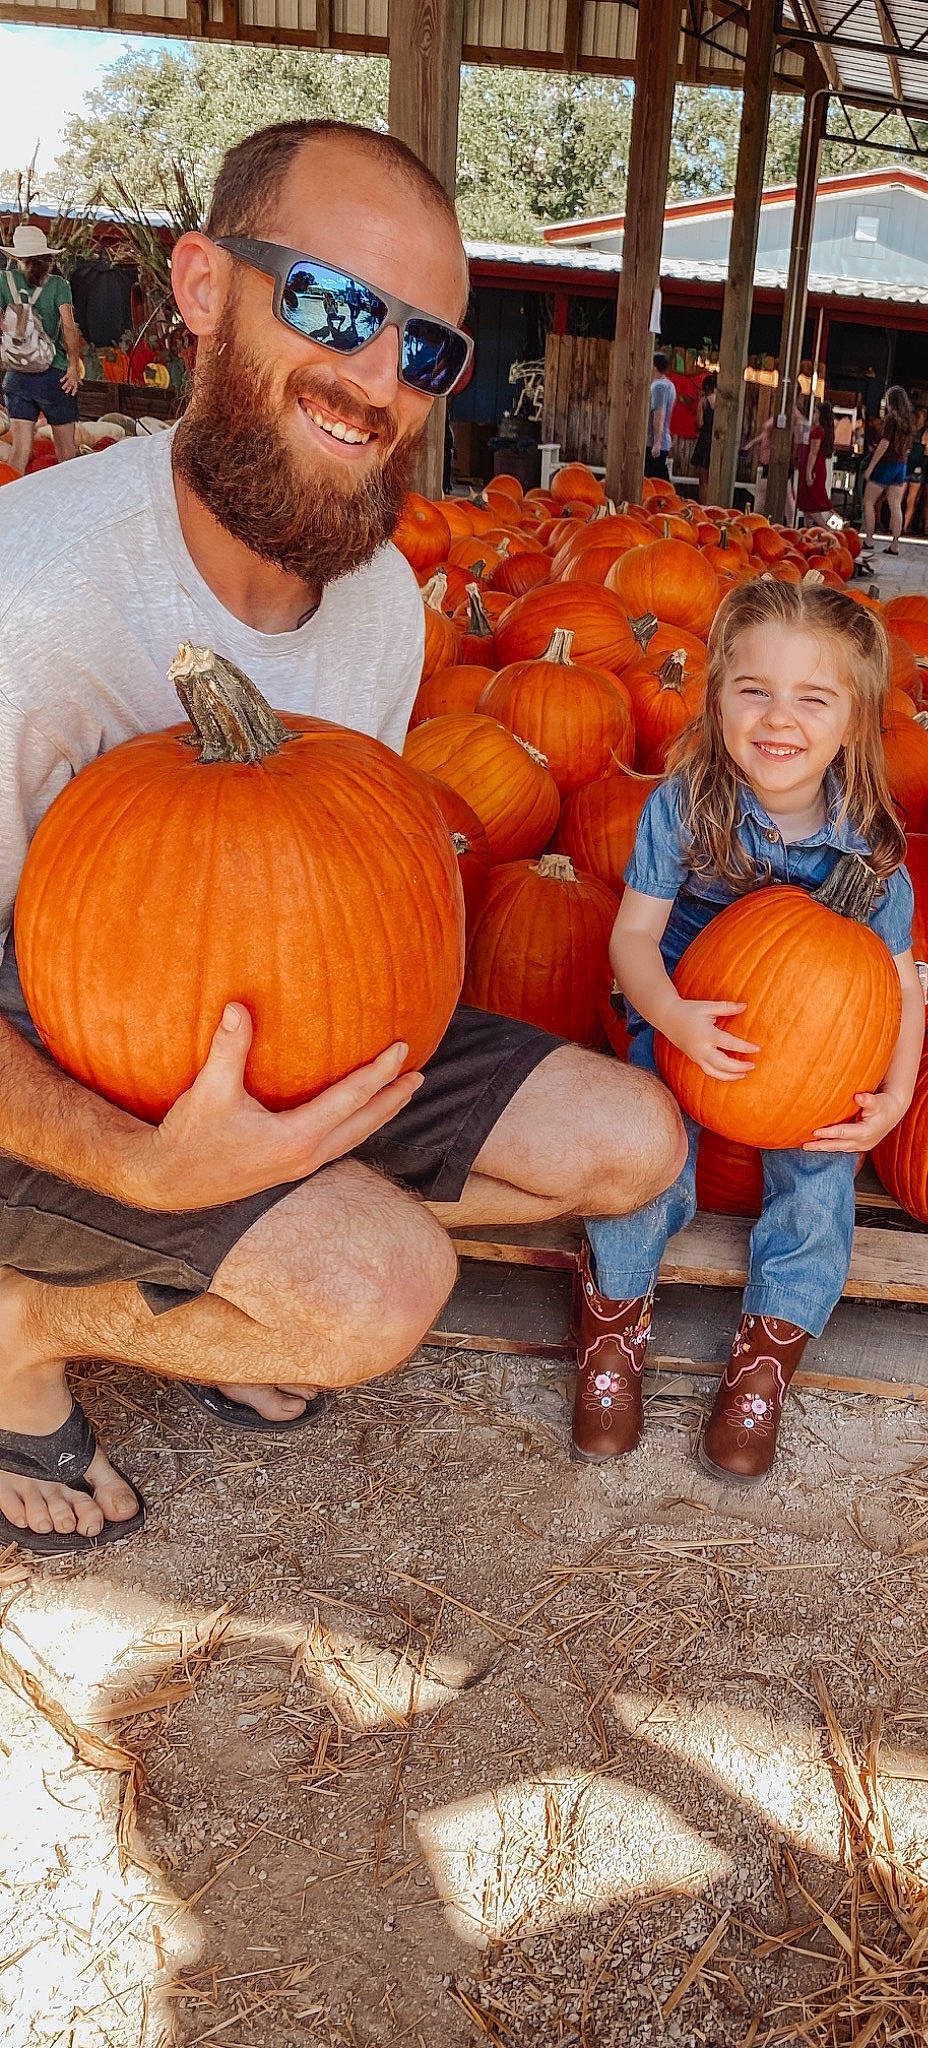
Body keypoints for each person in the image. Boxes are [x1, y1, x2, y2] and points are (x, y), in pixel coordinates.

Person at [0, 120, 685, 1555]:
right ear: (201, 286)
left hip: (278, 1032)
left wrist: (281, 1134)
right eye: (331, 306)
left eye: (426, 348)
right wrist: (149, 1174)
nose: (378, 379)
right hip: (56, 1063)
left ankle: (221, 1272)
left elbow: (338, 883)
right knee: (377, 1290)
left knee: (632, 1142)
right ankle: (22, 1326)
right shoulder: (37, 599)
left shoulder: (377, 599)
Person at [574, 580, 925, 1480]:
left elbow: (897, 987)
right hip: (690, 1009)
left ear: (853, 722)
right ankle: (613, 1332)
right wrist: (671, 1019)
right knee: (645, 1158)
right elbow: (633, 939)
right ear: (718, 694)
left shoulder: (871, 850)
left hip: (817, 1052)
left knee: (819, 1180)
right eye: (754, 689)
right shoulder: (684, 807)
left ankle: (764, 1366)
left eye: (813, 698)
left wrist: (894, 1097)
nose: (780, 718)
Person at [1, 223, 87, 474]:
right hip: (54, 375)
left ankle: (8, 505)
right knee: (66, 454)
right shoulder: (59, 285)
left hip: (17, 376)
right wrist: (72, 367)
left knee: (20, 452)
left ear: (17, 256)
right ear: (48, 257)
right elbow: (69, 328)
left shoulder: (4, 281)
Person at [862, 384, 914, 555]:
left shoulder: (891, 419)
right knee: (895, 505)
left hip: (886, 464)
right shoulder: (908, 421)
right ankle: (895, 544)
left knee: (868, 501)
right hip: (901, 465)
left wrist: (871, 466)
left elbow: (884, 444)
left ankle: (869, 540)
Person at [796, 398, 835, 525]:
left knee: (813, 504)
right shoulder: (823, 430)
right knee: (809, 505)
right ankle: (811, 531)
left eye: (815, 412)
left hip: (814, 469)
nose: (813, 415)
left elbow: (813, 453)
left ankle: (827, 528)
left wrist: (808, 473)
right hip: (817, 467)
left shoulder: (818, 431)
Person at [648, 352, 677, 481]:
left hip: (653, 441)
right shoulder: (669, 385)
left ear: (654, 367)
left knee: (654, 482)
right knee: (659, 480)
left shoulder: (658, 387)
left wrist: (657, 443)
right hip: (663, 439)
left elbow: (659, 413)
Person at [692, 369, 717, 487]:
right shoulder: (723, 402)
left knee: (703, 482)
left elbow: (699, 423)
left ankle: (703, 504)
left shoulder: (704, 401)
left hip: (705, 441)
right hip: (718, 443)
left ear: (706, 387)